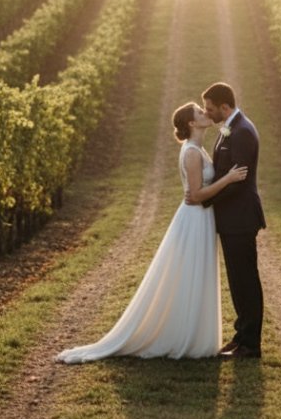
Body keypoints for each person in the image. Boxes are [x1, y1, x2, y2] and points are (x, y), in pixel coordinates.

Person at [56, 102, 247, 363]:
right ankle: (184, 336)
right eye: (200, 113)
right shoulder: (191, 153)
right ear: (192, 123)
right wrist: (228, 179)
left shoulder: (198, 149)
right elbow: (197, 195)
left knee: (194, 273)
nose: (206, 113)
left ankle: (192, 332)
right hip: (194, 218)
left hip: (201, 218)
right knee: (189, 273)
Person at [191, 82, 265, 359]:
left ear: (225, 106)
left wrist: (204, 198)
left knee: (246, 281)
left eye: (210, 108)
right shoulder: (232, 127)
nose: (208, 113)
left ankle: (250, 345)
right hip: (232, 219)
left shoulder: (243, 131)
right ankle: (240, 335)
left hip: (241, 219)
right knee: (237, 280)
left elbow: (238, 180)